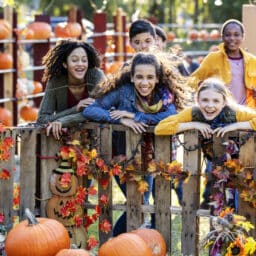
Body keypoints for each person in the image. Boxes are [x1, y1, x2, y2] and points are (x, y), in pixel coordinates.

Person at [83, 52, 190, 235]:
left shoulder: (164, 95)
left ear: (157, 78)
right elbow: (90, 110)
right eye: (139, 77)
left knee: (140, 202)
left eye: (150, 77)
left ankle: (118, 244)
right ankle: (118, 245)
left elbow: (170, 116)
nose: (144, 82)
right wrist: (119, 120)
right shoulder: (124, 91)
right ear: (132, 77)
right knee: (137, 202)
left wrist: (134, 116)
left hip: (149, 157)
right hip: (122, 156)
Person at [155, 77, 256, 210]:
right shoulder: (193, 113)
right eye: (205, 100)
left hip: (246, 164)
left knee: (244, 202)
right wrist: (193, 124)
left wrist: (235, 126)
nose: (210, 105)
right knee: (222, 202)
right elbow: (160, 128)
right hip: (219, 165)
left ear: (224, 101)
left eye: (216, 101)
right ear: (197, 100)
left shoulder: (234, 112)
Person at [188, 19, 256, 207]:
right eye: (228, 34)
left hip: (242, 116)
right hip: (218, 116)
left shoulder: (252, 61)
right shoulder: (213, 59)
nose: (232, 38)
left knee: (241, 165)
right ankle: (211, 200)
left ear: (243, 37)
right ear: (222, 36)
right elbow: (195, 79)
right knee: (216, 162)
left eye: (236, 35)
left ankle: (236, 206)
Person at [37, 39, 105, 140]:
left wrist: (63, 121)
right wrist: (76, 108)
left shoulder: (96, 76)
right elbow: (42, 119)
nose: (80, 64)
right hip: (65, 140)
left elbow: (98, 111)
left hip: (98, 138)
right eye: (74, 60)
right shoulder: (55, 81)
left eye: (84, 60)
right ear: (65, 64)